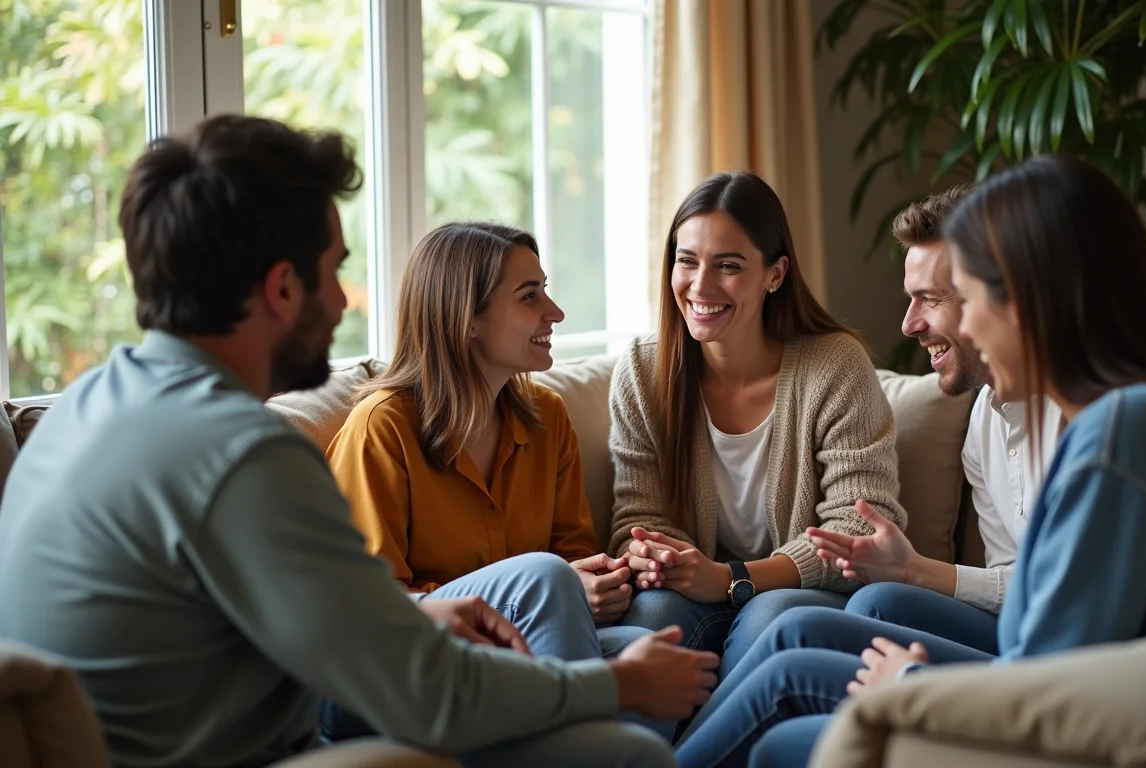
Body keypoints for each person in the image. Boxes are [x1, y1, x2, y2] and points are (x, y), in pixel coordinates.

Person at [0, 114, 719, 768]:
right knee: (624, 751)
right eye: (336, 270)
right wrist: (616, 684)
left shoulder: (90, 405)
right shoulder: (241, 452)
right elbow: (426, 695)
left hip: (238, 723)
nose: (345, 303)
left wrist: (410, 613)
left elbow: (247, 621)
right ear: (283, 289)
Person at [671, 154, 1146, 768]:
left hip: (1115, 715)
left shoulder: (1122, 439)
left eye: (968, 293)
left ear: (1030, 301)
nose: (946, 322)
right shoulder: (1134, 414)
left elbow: (1047, 680)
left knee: (785, 704)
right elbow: (1043, 632)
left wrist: (913, 687)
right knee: (794, 642)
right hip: (1100, 689)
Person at [320, 221, 645, 739]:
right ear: (466, 318)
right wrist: (541, 589)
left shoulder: (546, 416)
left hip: (533, 642)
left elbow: (570, 557)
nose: (555, 312)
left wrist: (591, 582)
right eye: (529, 295)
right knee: (546, 581)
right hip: (423, 663)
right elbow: (371, 605)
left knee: (653, 650)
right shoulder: (383, 427)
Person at [608, 170, 907, 679]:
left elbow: (860, 528)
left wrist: (730, 579)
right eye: (687, 261)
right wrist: (653, 555)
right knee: (652, 616)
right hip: (693, 589)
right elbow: (639, 514)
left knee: (770, 615)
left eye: (728, 266)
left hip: (799, 591)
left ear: (775, 273)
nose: (700, 286)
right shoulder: (642, 370)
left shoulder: (836, 366)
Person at [809, 185, 1061, 657]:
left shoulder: (1095, 417)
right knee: (858, 609)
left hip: (1078, 657)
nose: (908, 324)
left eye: (928, 298)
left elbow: (1074, 599)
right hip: (1021, 635)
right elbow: (1011, 582)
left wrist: (918, 571)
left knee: (802, 648)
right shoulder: (986, 418)